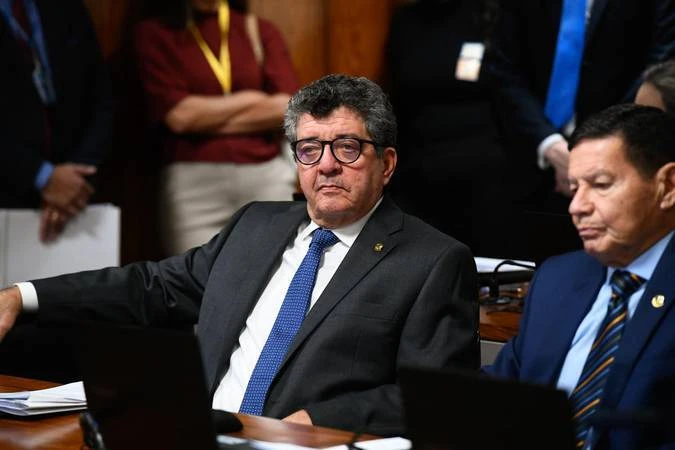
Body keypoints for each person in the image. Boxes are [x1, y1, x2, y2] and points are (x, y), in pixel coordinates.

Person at [0, 74, 479, 435]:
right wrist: (23, 295)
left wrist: (319, 418)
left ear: (387, 163)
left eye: (347, 148)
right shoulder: (255, 225)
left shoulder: (432, 261)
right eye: (310, 149)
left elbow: (436, 398)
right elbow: (152, 287)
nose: (327, 165)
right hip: (199, 435)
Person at [483, 104, 675, 450]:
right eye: (574, 188)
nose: (577, 206)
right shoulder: (557, 278)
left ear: (668, 186)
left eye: (600, 185)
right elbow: (505, 390)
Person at [134, 0, 299, 255]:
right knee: (197, 277)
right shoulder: (154, 33)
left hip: (265, 177)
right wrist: (251, 99)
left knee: (275, 274)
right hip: (194, 187)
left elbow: (287, 107)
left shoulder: (258, 29)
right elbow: (180, 117)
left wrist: (204, 117)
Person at [489, 0, 675, 214]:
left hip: (620, 158)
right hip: (528, 156)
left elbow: (657, 73)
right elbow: (505, 68)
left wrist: (600, 143)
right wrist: (549, 144)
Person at [385, 0, 513, 257]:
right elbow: (398, 98)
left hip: (487, 171)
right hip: (418, 171)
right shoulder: (405, 21)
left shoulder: (492, 16)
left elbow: (511, 94)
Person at [0, 0, 114, 242]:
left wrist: (74, 181)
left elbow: (102, 97)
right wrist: (42, 176)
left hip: (77, 198)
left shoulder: (64, 6)